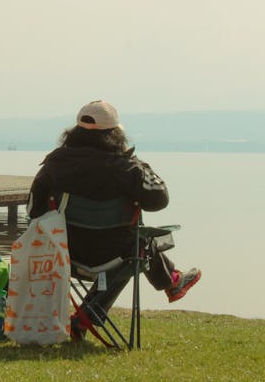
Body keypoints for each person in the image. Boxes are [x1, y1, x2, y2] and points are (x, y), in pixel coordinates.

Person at [27, 99, 201, 340]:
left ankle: (172, 281)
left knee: (134, 246)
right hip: (115, 258)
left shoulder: (54, 164)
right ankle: (170, 281)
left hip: (65, 254)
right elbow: (160, 199)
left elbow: (33, 209)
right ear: (116, 134)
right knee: (137, 248)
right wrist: (138, 163)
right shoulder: (129, 169)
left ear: (74, 133)